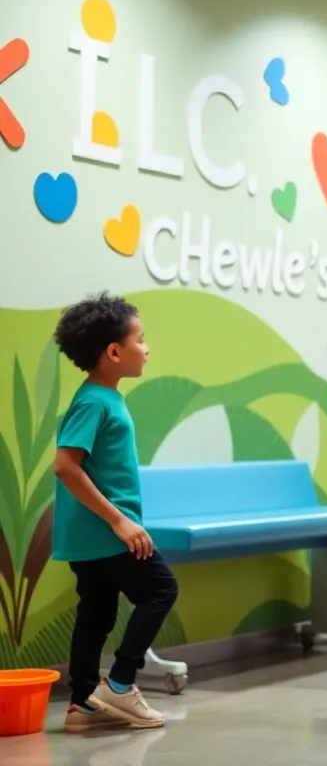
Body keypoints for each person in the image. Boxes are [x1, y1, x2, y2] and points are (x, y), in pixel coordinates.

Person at [50, 293, 178, 732]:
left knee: (97, 613)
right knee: (161, 589)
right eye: (141, 339)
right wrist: (120, 521)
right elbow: (66, 465)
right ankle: (120, 685)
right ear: (114, 352)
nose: (147, 348)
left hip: (91, 536)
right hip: (107, 533)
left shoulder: (101, 397)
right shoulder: (94, 402)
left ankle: (84, 703)